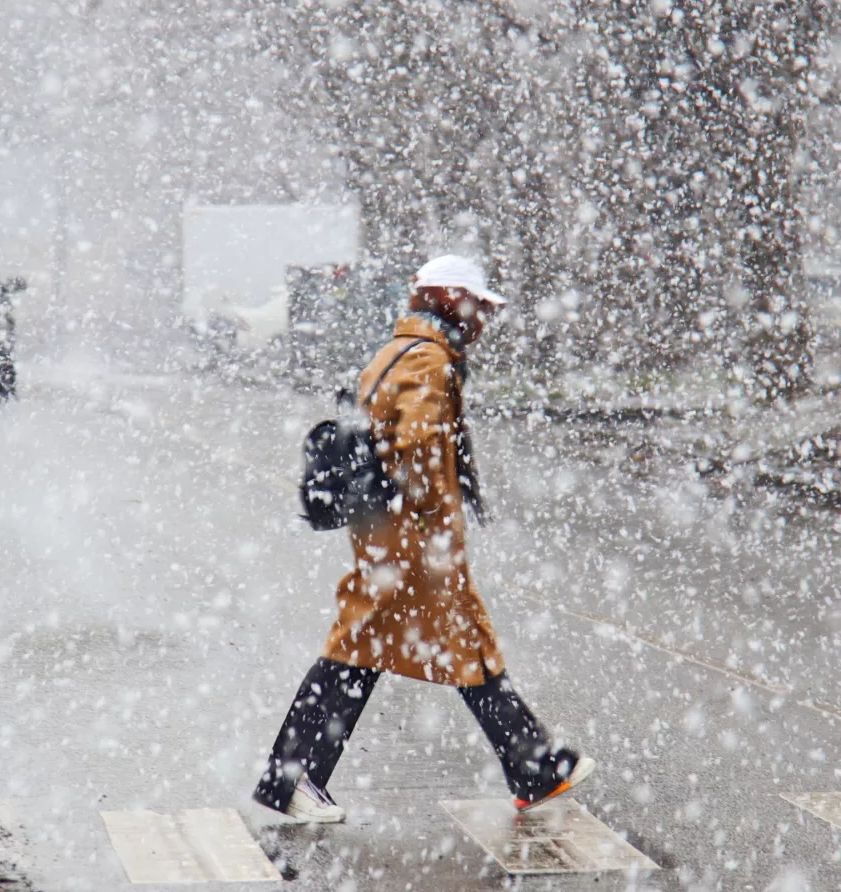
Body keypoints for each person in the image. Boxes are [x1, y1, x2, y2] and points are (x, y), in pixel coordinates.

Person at [253, 254, 596, 823]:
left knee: (393, 649)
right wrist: (435, 531)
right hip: (411, 541)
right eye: (479, 306)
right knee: (401, 648)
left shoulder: (396, 350)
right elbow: (417, 449)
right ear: (450, 300)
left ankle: (532, 768)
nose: (484, 319)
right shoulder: (430, 362)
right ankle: (533, 768)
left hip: (387, 533)